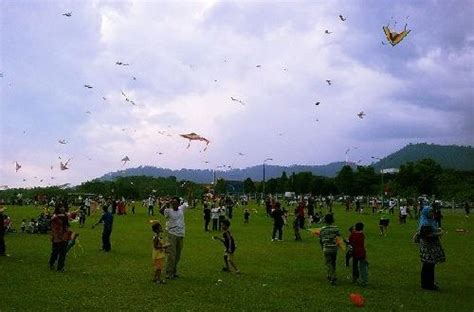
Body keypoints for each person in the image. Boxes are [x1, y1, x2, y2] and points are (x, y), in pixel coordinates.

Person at [415, 206, 446, 290]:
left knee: (429, 265)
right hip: (428, 247)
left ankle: (428, 283)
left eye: (432, 212)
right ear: (426, 213)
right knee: (428, 265)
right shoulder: (426, 223)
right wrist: (439, 233)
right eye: (430, 212)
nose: (432, 213)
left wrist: (437, 230)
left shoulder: (429, 221)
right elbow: (427, 236)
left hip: (430, 247)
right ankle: (428, 285)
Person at [160, 197, 189, 279]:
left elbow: (188, 203)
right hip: (171, 234)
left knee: (177, 255)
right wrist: (166, 203)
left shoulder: (181, 209)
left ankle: (174, 271)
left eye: (175, 202)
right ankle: (169, 273)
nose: (174, 204)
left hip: (181, 234)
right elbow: (161, 211)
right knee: (171, 255)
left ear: (179, 203)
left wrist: (190, 194)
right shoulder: (168, 211)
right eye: (173, 203)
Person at [319, 214, 340, 285]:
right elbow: (338, 237)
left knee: (328, 263)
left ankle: (331, 276)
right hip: (334, 248)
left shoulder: (322, 229)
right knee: (333, 262)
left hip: (326, 248)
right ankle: (333, 275)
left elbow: (321, 239)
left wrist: (322, 246)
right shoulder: (336, 228)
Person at [49, 206, 70, 271]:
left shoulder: (64, 216)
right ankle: (52, 263)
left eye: (63, 207)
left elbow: (66, 227)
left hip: (63, 236)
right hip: (57, 237)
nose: (62, 208)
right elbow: (53, 227)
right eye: (61, 207)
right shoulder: (55, 217)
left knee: (62, 252)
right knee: (56, 252)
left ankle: (60, 267)